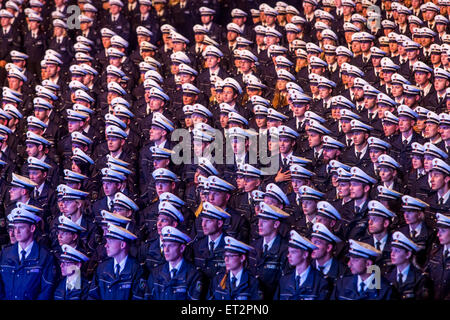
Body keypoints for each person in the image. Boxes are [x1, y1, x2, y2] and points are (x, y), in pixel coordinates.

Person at [0, 208, 57, 300]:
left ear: (32, 228)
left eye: (21, 227)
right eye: (15, 227)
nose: (16, 232)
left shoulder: (45, 256)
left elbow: (46, 291)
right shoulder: (4, 254)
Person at [88, 223, 145, 300]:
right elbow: (92, 296)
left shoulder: (137, 270)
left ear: (122, 245)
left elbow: (138, 297)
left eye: (110, 241)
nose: (106, 245)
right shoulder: (102, 268)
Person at [146, 226, 204, 300]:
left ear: (182, 248)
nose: (166, 250)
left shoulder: (194, 275)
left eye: (171, 246)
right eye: (164, 245)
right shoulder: (156, 273)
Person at [274, 229, 331, 300]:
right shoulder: (284, 280)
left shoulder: (320, 282)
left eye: (293, 252)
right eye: (289, 252)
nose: (289, 255)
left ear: (305, 254)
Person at [332, 239, 396, 300]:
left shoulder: (385, 289)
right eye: (350, 259)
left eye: (355, 260)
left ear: (368, 264)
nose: (349, 264)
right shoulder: (342, 283)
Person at [208, 236, 262, 300]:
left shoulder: (252, 282)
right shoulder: (218, 279)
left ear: (242, 258)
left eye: (230, 256)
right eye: (225, 256)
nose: (226, 259)